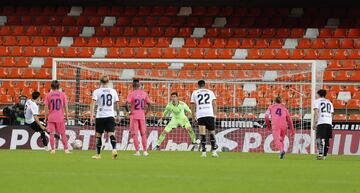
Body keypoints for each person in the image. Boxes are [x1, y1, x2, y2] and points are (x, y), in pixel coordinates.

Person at [90, 75, 121, 160]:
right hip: (110, 115)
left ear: (100, 82)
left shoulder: (96, 91)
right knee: (111, 134)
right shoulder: (113, 91)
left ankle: (98, 155)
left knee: (98, 135)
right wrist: (118, 115)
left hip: (100, 116)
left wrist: (91, 115)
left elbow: (92, 103)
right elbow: (117, 104)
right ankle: (114, 149)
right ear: (108, 82)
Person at [190, 80, 218, 158]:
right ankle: (214, 152)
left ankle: (204, 153)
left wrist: (193, 117)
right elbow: (215, 104)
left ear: (198, 85)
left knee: (202, 134)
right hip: (209, 114)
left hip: (200, 115)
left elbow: (192, 106)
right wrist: (215, 115)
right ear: (204, 85)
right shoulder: (210, 92)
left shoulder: (195, 93)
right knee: (212, 133)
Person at [125, 79, 151, 156]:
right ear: (139, 85)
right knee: (143, 133)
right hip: (142, 115)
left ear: (132, 85)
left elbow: (126, 104)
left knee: (135, 134)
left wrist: (129, 112)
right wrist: (145, 112)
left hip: (134, 116)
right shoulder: (144, 93)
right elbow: (149, 104)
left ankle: (137, 151)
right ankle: (145, 151)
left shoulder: (131, 93)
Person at [44, 80, 70, 154]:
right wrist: (67, 115)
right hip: (60, 117)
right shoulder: (62, 94)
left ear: (51, 87)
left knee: (52, 134)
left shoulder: (48, 95)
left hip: (51, 117)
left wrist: (46, 116)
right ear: (59, 86)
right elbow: (65, 106)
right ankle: (66, 149)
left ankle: (53, 149)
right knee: (63, 134)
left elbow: (46, 107)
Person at [313, 89, 334, 160]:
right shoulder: (329, 102)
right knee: (327, 139)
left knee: (319, 138)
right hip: (329, 122)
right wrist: (330, 122)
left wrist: (315, 122)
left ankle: (320, 154)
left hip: (321, 121)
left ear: (319, 94)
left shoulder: (317, 101)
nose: (316, 95)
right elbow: (331, 114)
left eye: (317, 94)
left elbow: (316, 112)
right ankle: (324, 156)